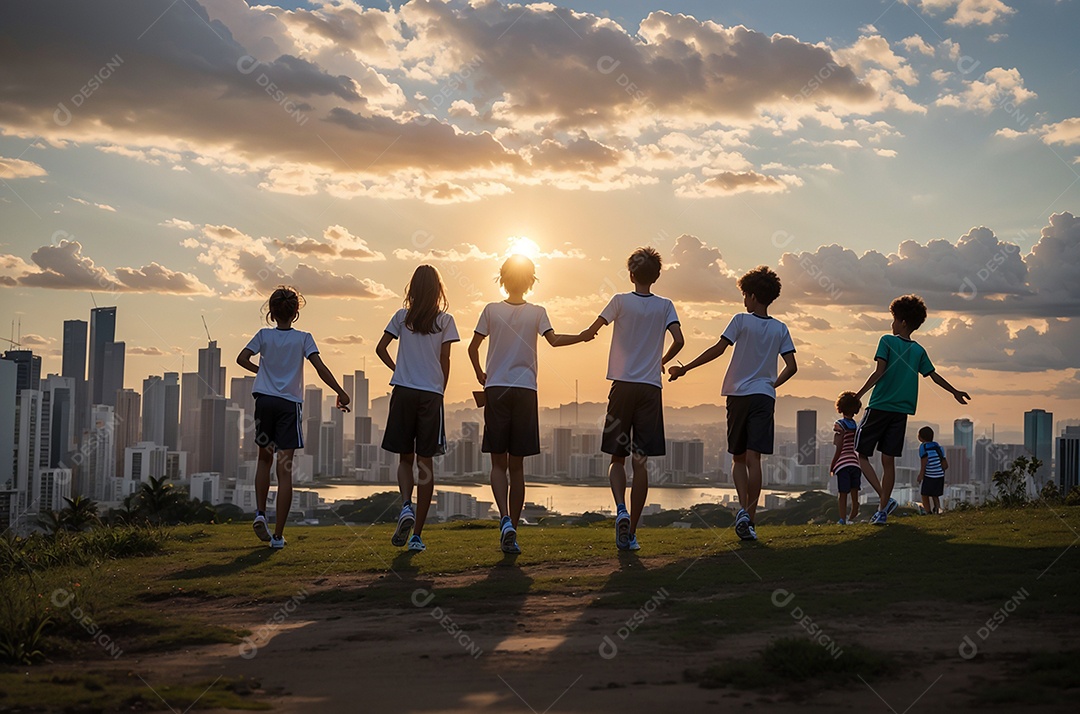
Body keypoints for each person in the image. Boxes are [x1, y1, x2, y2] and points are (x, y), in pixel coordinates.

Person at [467, 255, 593, 554]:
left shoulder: (490, 310)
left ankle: (504, 519)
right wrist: (583, 336)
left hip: (496, 389)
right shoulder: (537, 312)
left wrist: (481, 373)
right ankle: (514, 527)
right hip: (525, 391)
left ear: (502, 279)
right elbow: (554, 340)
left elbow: (473, 348)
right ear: (531, 281)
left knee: (498, 463)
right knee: (517, 466)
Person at [669, 266, 797, 541]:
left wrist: (685, 369)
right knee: (755, 458)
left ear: (752, 296)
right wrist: (771, 385)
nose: (744, 301)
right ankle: (750, 518)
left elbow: (718, 349)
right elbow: (792, 367)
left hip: (738, 396)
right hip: (764, 397)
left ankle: (742, 511)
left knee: (738, 458)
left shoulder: (740, 321)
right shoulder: (780, 328)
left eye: (745, 295)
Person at [582, 247, 683, 551]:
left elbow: (592, 330)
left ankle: (620, 510)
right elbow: (679, 341)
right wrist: (661, 361)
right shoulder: (665, 306)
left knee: (617, 458)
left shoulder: (619, 301)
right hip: (650, 388)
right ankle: (632, 532)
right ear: (657, 276)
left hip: (622, 386)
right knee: (641, 463)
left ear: (630, 274)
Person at [237, 286, 350, 550]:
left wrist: (262, 372)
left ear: (271, 312)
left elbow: (241, 358)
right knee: (284, 469)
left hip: (264, 401)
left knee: (263, 459)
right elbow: (320, 368)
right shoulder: (304, 338)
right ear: (296, 312)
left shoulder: (263, 335)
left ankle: (260, 514)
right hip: (288, 405)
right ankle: (277, 536)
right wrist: (341, 391)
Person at [853, 294, 969, 526]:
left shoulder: (887, 341)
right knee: (888, 462)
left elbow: (879, 372)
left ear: (903, 322)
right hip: (901, 412)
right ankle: (882, 512)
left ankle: (884, 500)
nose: (892, 324)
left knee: (862, 455)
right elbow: (934, 376)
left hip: (879, 406)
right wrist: (954, 391)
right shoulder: (918, 351)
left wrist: (858, 395)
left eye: (894, 319)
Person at [376, 265, 459, 553]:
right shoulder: (446, 320)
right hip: (431, 395)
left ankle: (405, 506)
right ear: (438, 290)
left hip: (403, 391)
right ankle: (417, 536)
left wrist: (399, 369)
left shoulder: (402, 317)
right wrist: (441, 388)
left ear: (412, 288)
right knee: (426, 463)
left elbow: (380, 348)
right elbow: (445, 359)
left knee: (404, 457)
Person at [830, 391, 862, 525]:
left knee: (842, 493)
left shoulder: (839, 425)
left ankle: (842, 519)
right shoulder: (855, 425)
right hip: (855, 462)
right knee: (854, 489)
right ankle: (855, 505)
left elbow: (839, 448)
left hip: (843, 463)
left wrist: (833, 465)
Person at [917, 426, 948, 514]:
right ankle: (937, 509)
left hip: (930, 475)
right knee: (935, 495)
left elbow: (924, 462)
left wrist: (921, 475)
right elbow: (944, 463)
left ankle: (928, 512)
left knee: (924, 494)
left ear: (921, 438)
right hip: (940, 475)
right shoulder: (938, 447)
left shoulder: (923, 447)